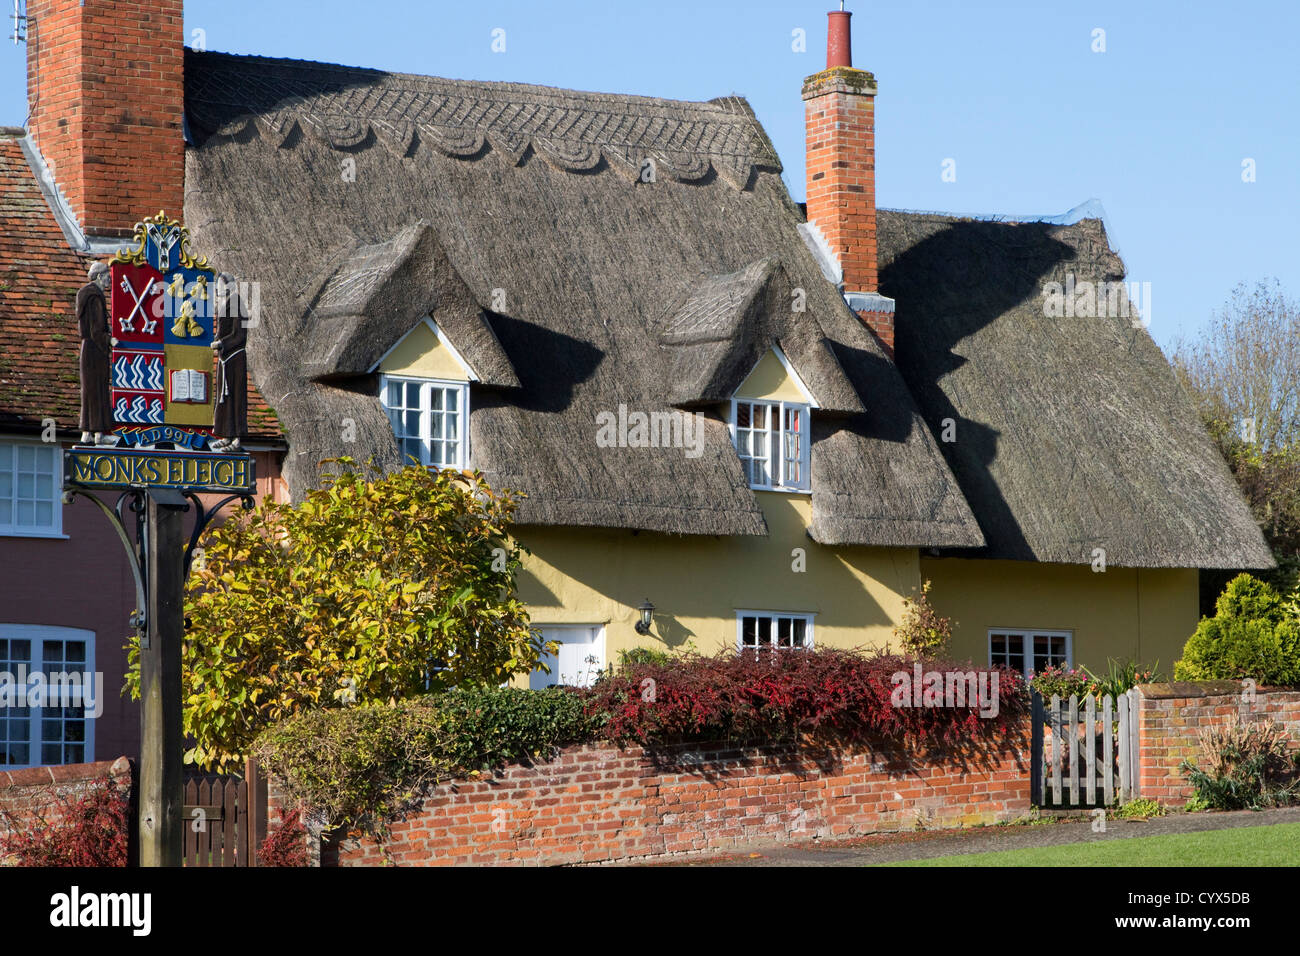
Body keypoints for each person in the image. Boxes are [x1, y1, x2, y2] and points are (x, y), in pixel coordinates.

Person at [76, 262, 117, 445]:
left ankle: (92, 432)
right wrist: (110, 340)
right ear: (99, 276)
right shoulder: (95, 297)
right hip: (95, 349)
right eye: (107, 275)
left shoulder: (87, 295)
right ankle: (97, 432)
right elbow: (96, 329)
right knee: (98, 390)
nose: (109, 278)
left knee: (91, 391)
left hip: (89, 349)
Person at [210, 273, 247, 451]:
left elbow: (239, 335)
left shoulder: (238, 304)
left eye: (221, 285)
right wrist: (216, 339)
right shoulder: (223, 305)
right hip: (224, 358)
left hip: (235, 358)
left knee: (236, 397)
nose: (219, 289)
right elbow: (221, 331)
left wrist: (222, 343)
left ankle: (237, 438)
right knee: (223, 398)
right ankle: (226, 434)